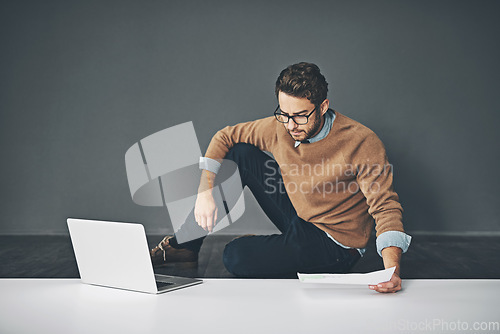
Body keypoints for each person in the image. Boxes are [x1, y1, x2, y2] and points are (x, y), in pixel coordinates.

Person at [151, 62, 411, 293]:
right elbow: (224, 136)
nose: (291, 125)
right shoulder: (283, 126)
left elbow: (386, 207)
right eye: (284, 114)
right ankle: (182, 246)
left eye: (300, 116)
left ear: (323, 107)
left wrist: (392, 271)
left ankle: (279, 250)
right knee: (241, 153)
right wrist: (205, 191)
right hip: (300, 213)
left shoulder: (361, 141)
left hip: (334, 243)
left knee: (234, 256)